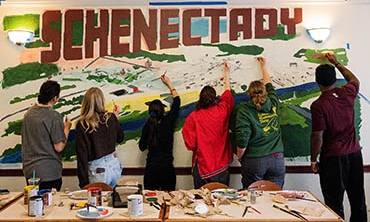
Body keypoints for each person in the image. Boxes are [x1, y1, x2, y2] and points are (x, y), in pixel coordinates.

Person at [310, 52, 367, 222]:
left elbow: (317, 137)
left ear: (317, 82)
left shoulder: (318, 105)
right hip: (355, 155)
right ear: (335, 79)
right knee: (358, 201)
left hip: (334, 160)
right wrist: (337, 63)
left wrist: (313, 160)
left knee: (334, 205)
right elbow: (354, 80)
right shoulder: (347, 92)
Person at [234, 57, 285, 189]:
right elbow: (269, 84)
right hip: (277, 159)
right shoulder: (273, 102)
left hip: (254, 160)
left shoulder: (244, 111)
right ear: (265, 93)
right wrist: (263, 67)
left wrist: (240, 157)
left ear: (248, 94)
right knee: (275, 198)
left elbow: (242, 138)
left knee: (253, 201)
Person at [182, 62, 235, 189]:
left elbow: (190, 145)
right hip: (222, 167)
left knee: (201, 204)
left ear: (200, 98)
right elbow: (227, 93)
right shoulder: (222, 111)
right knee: (222, 203)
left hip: (202, 168)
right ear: (215, 98)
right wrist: (227, 73)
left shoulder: (194, 117)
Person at [22, 80, 71, 191]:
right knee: (50, 205)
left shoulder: (28, 114)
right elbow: (59, 147)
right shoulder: (54, 116)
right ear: (55, 98)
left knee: (35, 204)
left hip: (30, 171)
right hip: (49, 171)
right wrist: (67, 128)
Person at [75, 87, 124, 189]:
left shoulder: (83, 124)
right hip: (114, 165)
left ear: (86, 103)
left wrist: (83, 184)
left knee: (96, 204)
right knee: (114, 202)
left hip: (97, 169)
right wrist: (115, 118)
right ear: (102, 101)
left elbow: (82, 156)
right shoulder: (111, 118)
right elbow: (120, 138)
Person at [139, 74, 180, 191]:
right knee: (168, 201)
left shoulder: (147, 126)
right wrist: (169, 84)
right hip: (167, 169)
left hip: (151, 170)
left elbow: (142, 147)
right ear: (162, 111)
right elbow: (177, 102)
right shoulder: (168, 122)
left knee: (151, 203)